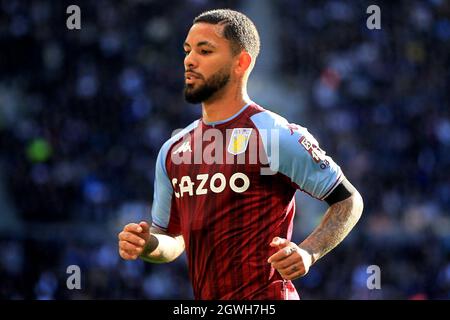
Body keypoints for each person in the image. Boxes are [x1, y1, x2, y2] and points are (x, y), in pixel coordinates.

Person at [118, 9, 364, 300]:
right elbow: (172, 241)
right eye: (187, 50)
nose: (189, 60)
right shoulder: (173, 151)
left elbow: (349, 201)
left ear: (241, 62)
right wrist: (147, 244)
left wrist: (309, 252)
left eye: (205, 50)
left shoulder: (273, 135)